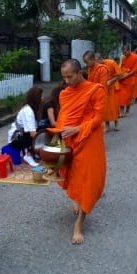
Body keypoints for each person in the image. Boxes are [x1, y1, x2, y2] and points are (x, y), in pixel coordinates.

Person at [48, 59, 107, 244]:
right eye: (64, 77)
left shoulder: (96, 90)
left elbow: (98, 117)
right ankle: (77, 199)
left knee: (88, 179)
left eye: (70, 76)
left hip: (89, 138)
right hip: (70, 139)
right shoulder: (64, 94)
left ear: (79, 72)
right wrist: (57, 141)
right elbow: (63, 118)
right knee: (72, 175)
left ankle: (79, 223)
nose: (66, 81)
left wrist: (78, 129)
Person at [7, 86, 43, 167]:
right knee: (39, 135)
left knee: (43, 128)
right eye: (40, 96)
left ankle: (32, 152)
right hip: (15, 140)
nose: (42, 98)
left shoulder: (32, 108)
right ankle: (28, 155)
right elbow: (32, 134)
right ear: (36, 98)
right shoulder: (28, 111)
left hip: (22, 135)